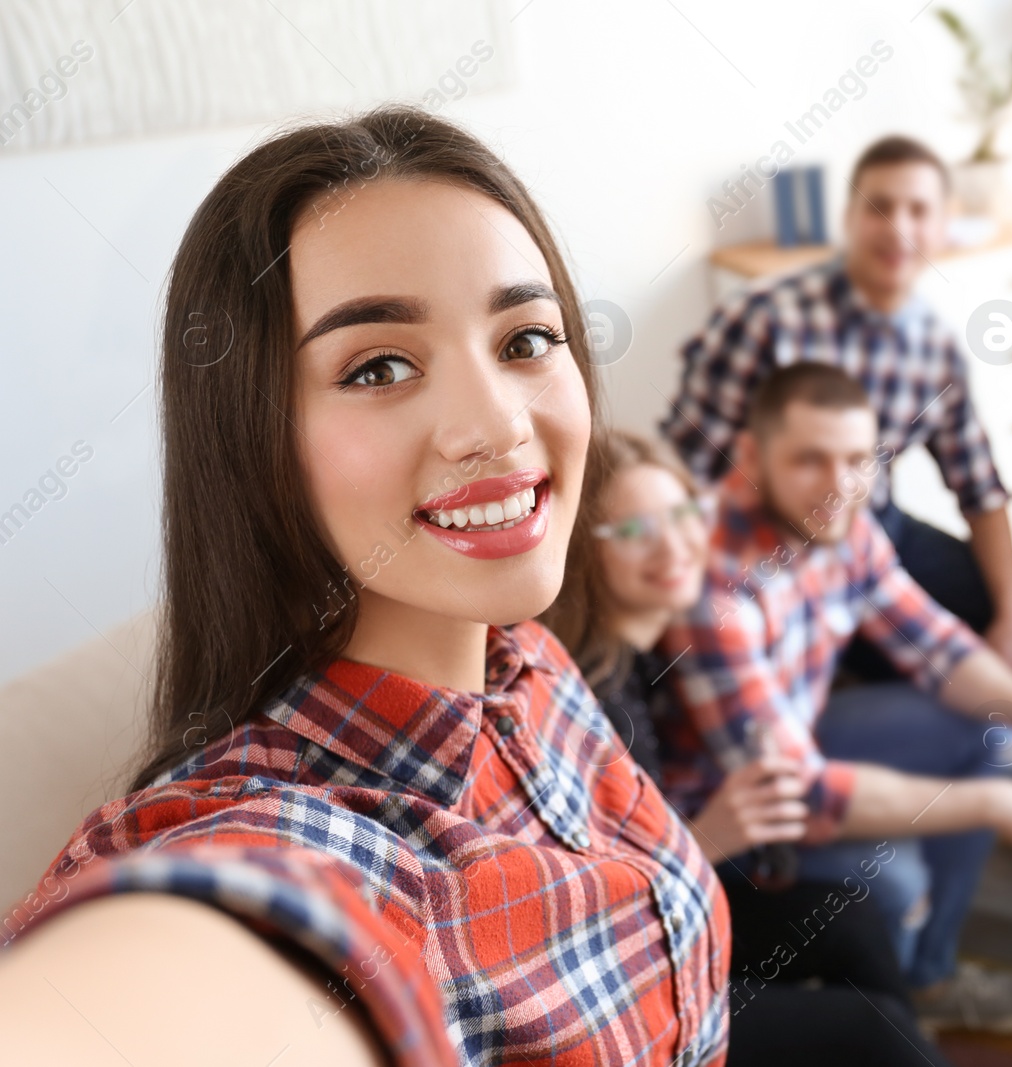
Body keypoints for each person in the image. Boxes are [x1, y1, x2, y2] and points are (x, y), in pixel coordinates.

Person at [0, 107, 729, 1066]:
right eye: (379, 366)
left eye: (525, 340)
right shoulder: (280, 842)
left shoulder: (532, 664)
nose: (497, 423)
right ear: (254, 445)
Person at [662, 362, 1012, 1034]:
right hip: (723, 826)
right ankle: (878, 1018)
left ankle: (926, 977)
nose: (840, 485)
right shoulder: (713, 582)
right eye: (810, 459)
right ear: (751, 456)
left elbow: (941, 650)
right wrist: (1001, 802)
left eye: (857, 460)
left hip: (797, 738)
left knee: (994, 731)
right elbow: (801, 794)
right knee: (893, 880)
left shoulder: (844, 523)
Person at [542, 430, 950, 1067]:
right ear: (578, 550)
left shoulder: (649, 648)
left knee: (854, 922)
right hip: (624, 977)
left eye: (682, 515)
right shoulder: (593, 698)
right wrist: (708, 836)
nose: (675, 545)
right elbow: (598, 917)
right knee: (869, 1030)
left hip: (679, 896)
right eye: (632, 532)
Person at [663, 135, 1012, 708]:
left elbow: (980, 488)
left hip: (874, 529)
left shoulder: (935, 347)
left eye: (918, 210)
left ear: (945, 226)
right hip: (768, 538)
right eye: (878, 206)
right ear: (848, 217)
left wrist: (1011, 621)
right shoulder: (764, 317)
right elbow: (687, 471)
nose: (898, 228)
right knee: (922, 698)